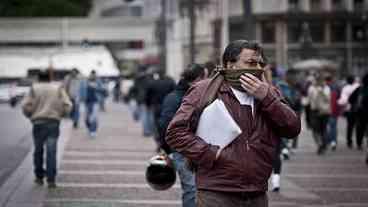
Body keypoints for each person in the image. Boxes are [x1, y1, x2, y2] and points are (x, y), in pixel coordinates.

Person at [166, 40, 301, 207]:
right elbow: (175, 133)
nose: (257, 68)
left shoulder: (269, 92)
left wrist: (267, 98)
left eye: (260, 63)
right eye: (250, 62)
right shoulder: (204, 90)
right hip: (216, 191)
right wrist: (210, 153)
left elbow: (293, 128)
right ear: (230, 64)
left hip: (257, 192)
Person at [158, 63, 207, 207]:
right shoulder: (175, 98)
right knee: (191, 188)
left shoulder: (202, 95)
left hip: (202, 149)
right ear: (198, 79)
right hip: (183, 150)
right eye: (205, 77)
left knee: (199, 189)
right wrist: (166, 149)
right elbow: (165, 125)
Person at [21, 70, 72, 188]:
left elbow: (25, 105)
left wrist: (30, 115)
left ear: (38, 78)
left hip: (38, 122)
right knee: (52, 151)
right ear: (49, 77)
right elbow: (68, 104)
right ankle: (51, 179)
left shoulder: (34, 88)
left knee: (38, 150)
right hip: (53, 122)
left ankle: (39, 177)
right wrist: (62, 115)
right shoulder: (57, 87)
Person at [308, 72, 331, 155]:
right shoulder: (326, 88)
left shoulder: (312, 88)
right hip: (323, 111)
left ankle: (320, 143)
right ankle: (322, 144)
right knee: (322, 129)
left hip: (316, 111)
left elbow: (310, 100)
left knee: (316, 130)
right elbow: (328, 99)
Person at [338, 75, 360, 149]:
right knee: (358, 126)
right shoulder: (358, 87)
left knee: (350, 126)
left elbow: (343, 100)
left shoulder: (345, 88)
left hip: (349, 109)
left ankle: (349, 141)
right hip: (358, 109)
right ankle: (358, 142)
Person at [84, 70, 104, 138]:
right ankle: (89, 128)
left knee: (94, 117)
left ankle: (93, 131)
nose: (93, 76)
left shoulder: (98, 82)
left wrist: (96, 87)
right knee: (86, 118)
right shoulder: (86, 81)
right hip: (87, 102)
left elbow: (102, 90)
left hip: (95, 102)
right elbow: (82, 90)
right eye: (92, 74)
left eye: (94, 75)